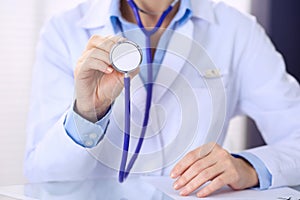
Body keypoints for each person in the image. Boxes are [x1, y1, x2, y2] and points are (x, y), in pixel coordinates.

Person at [25, 0, 300, 198]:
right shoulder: (64, 31)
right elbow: (44, 176)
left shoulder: (237, 30)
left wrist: (248, 167)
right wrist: (88, 111)